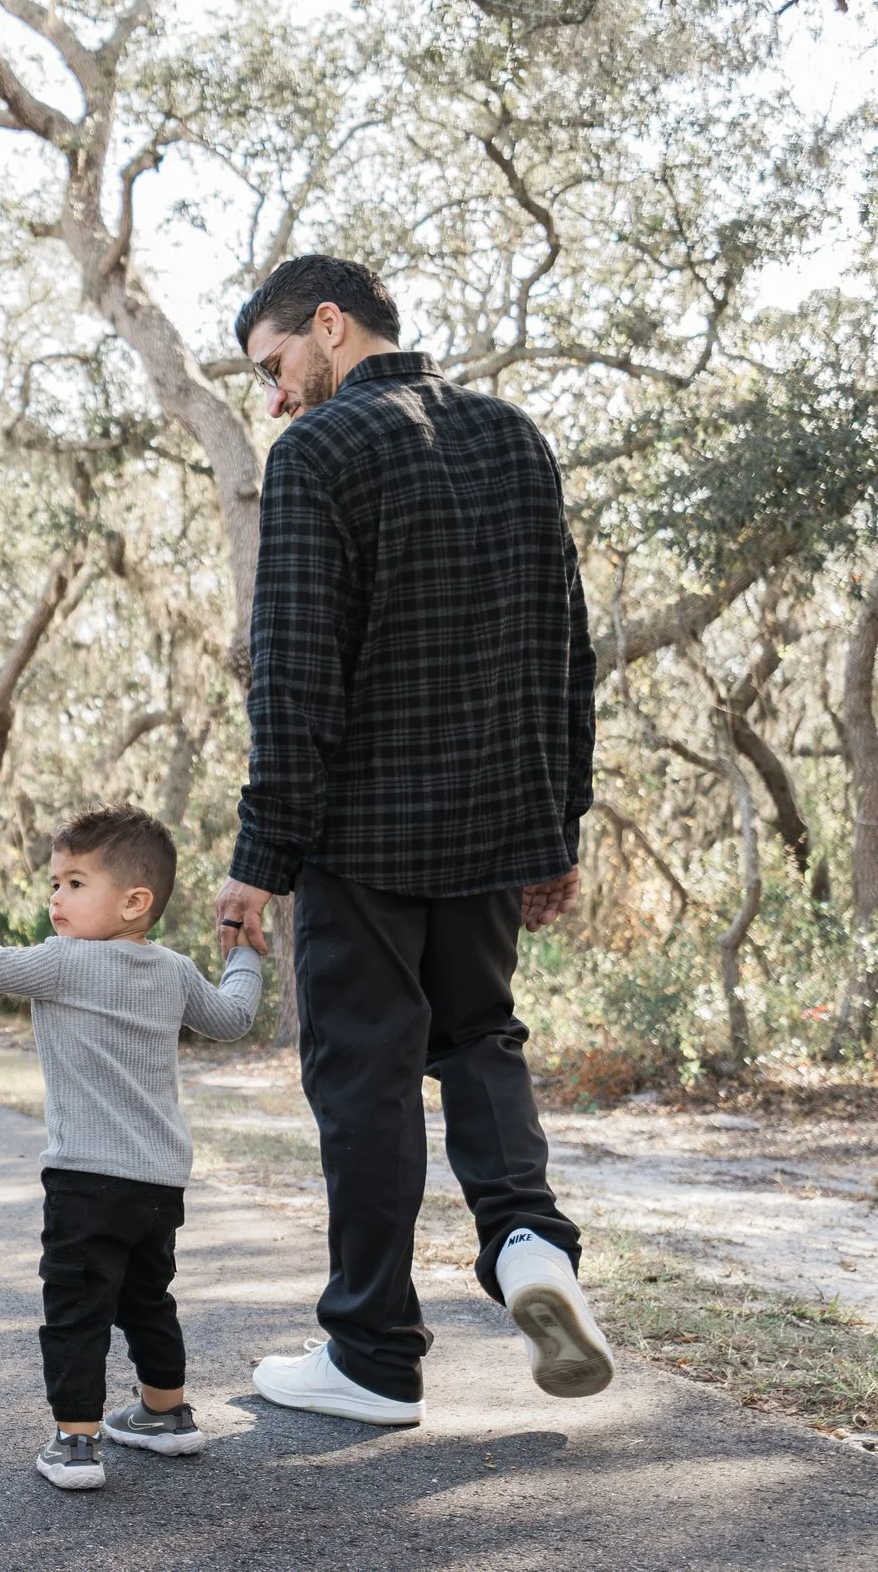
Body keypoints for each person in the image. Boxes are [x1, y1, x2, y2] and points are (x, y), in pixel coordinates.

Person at [216, 254, 614, 1426]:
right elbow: (567, 646)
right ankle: (531, 1245)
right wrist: (559, 823)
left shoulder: (320, 455)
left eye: (275, 364)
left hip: (360, 838)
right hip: (494, 828)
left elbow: (291, 680)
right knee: (480, 1035)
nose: (276, 396)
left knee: (365, 1073)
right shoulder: (511, 436)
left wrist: (259, 858)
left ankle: (374, 1354)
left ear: (329, 326)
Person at [0, 806, 261, 1490]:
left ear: (135, 900)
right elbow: (233, 1018)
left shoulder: (64, 962)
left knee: (77, 1307)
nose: (56, 896)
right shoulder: (173, 971)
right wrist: (244, 956)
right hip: (159, 1184)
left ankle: (76, 1441)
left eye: (75, 882)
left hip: (86, 1180)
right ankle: (166, 1414)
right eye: (55, 882)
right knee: (149, 1297)